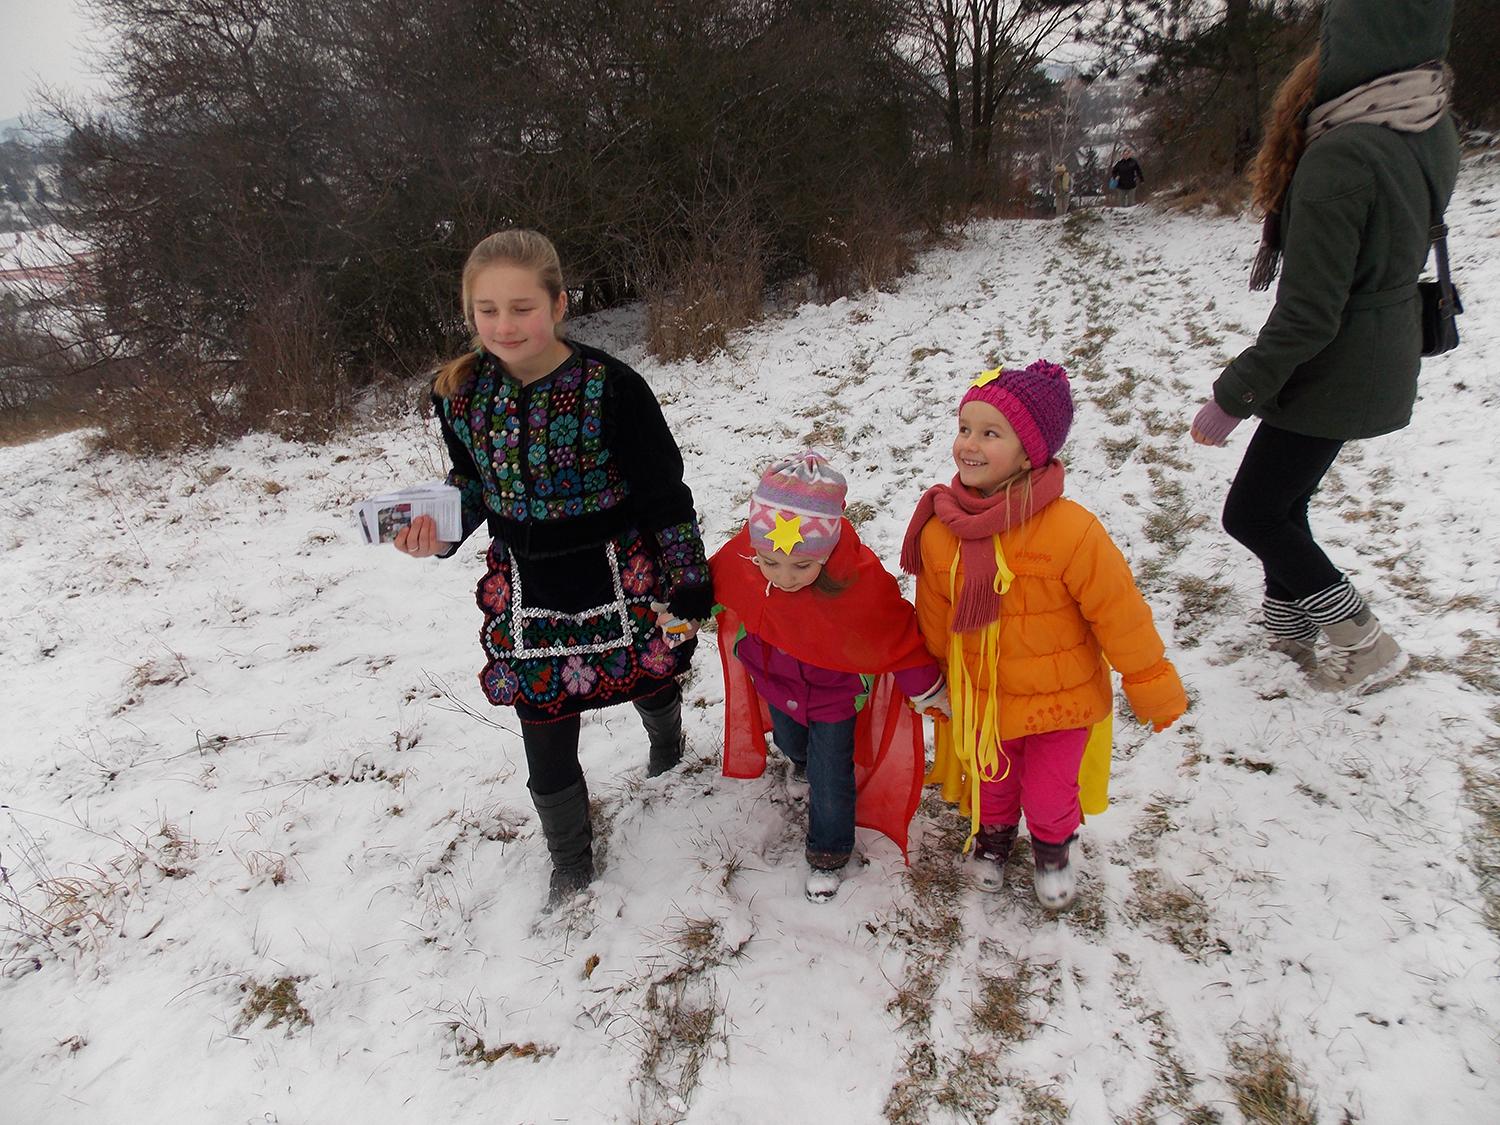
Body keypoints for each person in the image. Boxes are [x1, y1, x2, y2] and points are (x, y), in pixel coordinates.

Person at [395, 229, 714, 909]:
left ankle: (667, 741)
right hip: (526, 583)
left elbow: (663, 491)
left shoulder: (613, 388)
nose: (504, 325)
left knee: (648, 673)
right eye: (487, 310)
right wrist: (438, 531)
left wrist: (687, 576)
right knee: (541, 716)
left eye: (521, 307)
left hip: (617, 567)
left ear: (559, 303)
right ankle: (570, 860)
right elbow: (475, 484)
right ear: (469, 314)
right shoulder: (459, 393)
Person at [1190, 0, 1459, 694]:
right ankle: (1288, 622)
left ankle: (1362, 639)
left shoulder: (1342, 157)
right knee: (1286, 497)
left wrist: (1232, 396)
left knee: (1250, 512)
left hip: (1332, 367)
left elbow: (1309, 314)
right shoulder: (1426, 123)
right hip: (1376, 351)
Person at [902, 361, 1186, 909]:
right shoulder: (941, 529)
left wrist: (1150, 680)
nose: (970, 444)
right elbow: (933, 613)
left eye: (991, 433)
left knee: (1051, 790)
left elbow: (1118, 611)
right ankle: (993, 841)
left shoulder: (1071, 530)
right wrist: (935, 680)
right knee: (994, 782)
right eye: (965, 428)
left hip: (1062, 700)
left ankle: (1054, 849)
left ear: (1031, 450)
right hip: (985, 698)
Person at [710, 453, 950, 903]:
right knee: (790, 741)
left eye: (802, 567)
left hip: (833, 695)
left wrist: (928, 686)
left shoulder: (857, 581)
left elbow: (893, 632)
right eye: (770, 563)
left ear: (825, 551)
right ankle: (799, 761)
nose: (784, 578)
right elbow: (710, 584)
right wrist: (679, 610)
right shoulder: (746, 557)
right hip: (778, 685)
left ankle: (829, 851)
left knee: (831, 773)